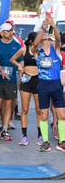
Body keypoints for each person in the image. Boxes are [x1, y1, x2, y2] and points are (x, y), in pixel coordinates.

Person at [34, 18, 65, 152]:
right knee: (44, 114)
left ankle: (62, 141)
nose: (47, 39)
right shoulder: (37, 51)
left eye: (48, 38)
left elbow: (58, 39)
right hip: (43, 85)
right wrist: (43, 28)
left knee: (62, 115)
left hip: (56, 84)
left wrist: (53, 26)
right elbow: (34, 43)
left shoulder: (56, 49)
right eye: (45, 38)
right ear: (42, 40)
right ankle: (45, 142)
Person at [10, 31, 42, 146]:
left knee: (39, 110)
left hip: (38, 80)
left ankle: (40, 135)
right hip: (26, 80)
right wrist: (19, 65)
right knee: (25, 109)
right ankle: (24, 136)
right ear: (31, 41)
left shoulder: (41, 50)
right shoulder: (24, 50)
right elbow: (12, 59)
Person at [0, 23, 22, 141]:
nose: (9, 33)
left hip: (11, 79)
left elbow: (21, 60)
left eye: (10, 31)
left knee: (8, 105)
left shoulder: (16, 45)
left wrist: (21, 70)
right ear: (1, 33)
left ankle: (4, 129)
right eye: (6, 31)